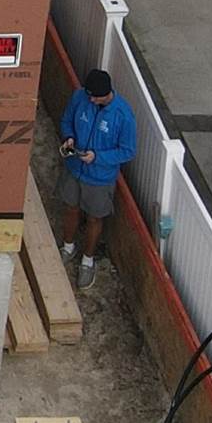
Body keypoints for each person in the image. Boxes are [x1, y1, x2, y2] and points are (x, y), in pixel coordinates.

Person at [55, 68, 135, 281]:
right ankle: (68, 246)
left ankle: (87, 260)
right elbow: (67, 120)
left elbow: (127, 151)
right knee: (70, 208)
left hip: (100, 178)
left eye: (94, 97)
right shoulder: (80, 97)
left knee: (94, 218)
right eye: (88, 95)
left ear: (106, 94)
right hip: (74, 168)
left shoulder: (123, 115)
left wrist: (97, 157)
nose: (90, 100)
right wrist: (69, 137)